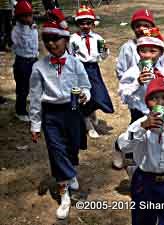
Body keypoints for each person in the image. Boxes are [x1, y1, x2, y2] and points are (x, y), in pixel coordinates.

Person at [29, 8, 91, 219]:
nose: (51, 44)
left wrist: (85, 95)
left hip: (73, 110)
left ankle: (70, 169)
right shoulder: (38, 67)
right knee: (56, 151)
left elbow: (86, 86)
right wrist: (35, 124)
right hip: (51, 114)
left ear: (65, 40)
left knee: (72, 146)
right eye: (47, 40)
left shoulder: (75, 63)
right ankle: (64, 193)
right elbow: (35, 97)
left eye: (56, 39)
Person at [117, 77, 164, 225]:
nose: (160, 102)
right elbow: (123, 144)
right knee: (143, 219)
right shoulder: (139, 124)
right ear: (147, 103)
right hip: (144, 182)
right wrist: (142, 128)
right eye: (154, 98)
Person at [114, 29, 164, 170]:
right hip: (140, 112)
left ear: (161, 53)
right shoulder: (133, 72)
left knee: (154, 141)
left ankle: (150, 165)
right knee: (136, 140)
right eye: (143, 51)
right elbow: (123, 94)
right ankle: (120, 148)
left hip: (160, 112)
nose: (147, 55)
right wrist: (137, 83)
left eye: (152, 51)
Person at [70, 5, 114, 138]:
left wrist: (105, 50)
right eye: (82, 23)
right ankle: (87, 124)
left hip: (93, 69)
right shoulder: (73, 39)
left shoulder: (98, 38)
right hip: (80, 69)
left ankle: (91, 113)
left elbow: (102, 57)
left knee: (98, 94)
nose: (85, 26)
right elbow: (71, 56)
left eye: (88, 23)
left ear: (93, 24)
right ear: (78, 24)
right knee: (83, 96)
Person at [115, 8, 164, 81]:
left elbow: (162, 65)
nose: (142, 28)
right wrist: (135, 82)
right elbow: (120, 71)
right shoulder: (128, 47)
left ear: (152, 28)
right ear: (133, 28)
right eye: (138, 26)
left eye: (146, 26)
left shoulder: (157, 46)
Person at [11, 0, 38, 122]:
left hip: (33, 60)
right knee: (23, 88)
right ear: (18, 18)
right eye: (25, 16)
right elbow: (23, 43)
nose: (29, 18)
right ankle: (20, 111)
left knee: (35, 85)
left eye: (30, 15)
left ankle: (35, 107)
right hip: (22, 62)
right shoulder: (17, 31)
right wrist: (30, 27)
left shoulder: (31, 26)